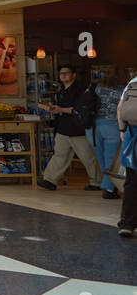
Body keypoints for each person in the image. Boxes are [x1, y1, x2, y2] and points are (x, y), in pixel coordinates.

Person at [39, 63, 102, 191]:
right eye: (61, 73)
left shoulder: (81, 90)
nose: (63, 75)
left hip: (78, 130)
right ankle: (50, 180)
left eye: (66, 73)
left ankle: (97, 182)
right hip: (63, 129)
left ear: (74, 75)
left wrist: (60, 109)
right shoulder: (61, 91)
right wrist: (55, 109)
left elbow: (81, 109)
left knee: (88, 157)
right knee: (59, 155)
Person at [88, 72, 124, 200]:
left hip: (95, 127)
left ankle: (107, 185)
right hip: (113, 125)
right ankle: (109, 189)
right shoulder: (121, 89)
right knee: (111, 159)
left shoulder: (97, 88)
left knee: (101, 159)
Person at [117, 74, 137, 238]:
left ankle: (127, 223)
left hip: (132, 135)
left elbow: (120, 108)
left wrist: (122, 130)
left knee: (131, 181)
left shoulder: (133, 82)